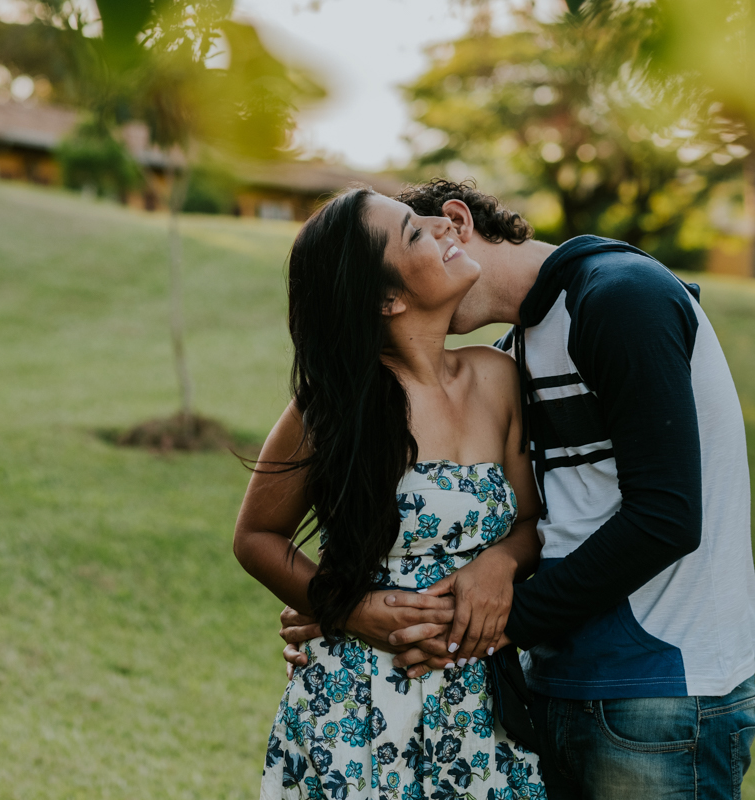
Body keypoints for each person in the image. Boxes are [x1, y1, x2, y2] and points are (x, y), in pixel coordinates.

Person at [277, 179, 755, 800]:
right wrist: (347, 602)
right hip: (545, 684)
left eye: (423, 230)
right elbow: (520, 521)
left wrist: (466, 625)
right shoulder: (518, 350)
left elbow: (666, 517)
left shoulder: (619, 299)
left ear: (455, 222)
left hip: (658, 693)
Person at [233, 186, 548, 800]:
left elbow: (532, 521)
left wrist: (500, 562)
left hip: (481, 703)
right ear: (386, 298)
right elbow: (255, 538)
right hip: (357, 705)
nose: (443, 225)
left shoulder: (498, 377)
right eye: (413, 232)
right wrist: (346, 609)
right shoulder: (334, 406)